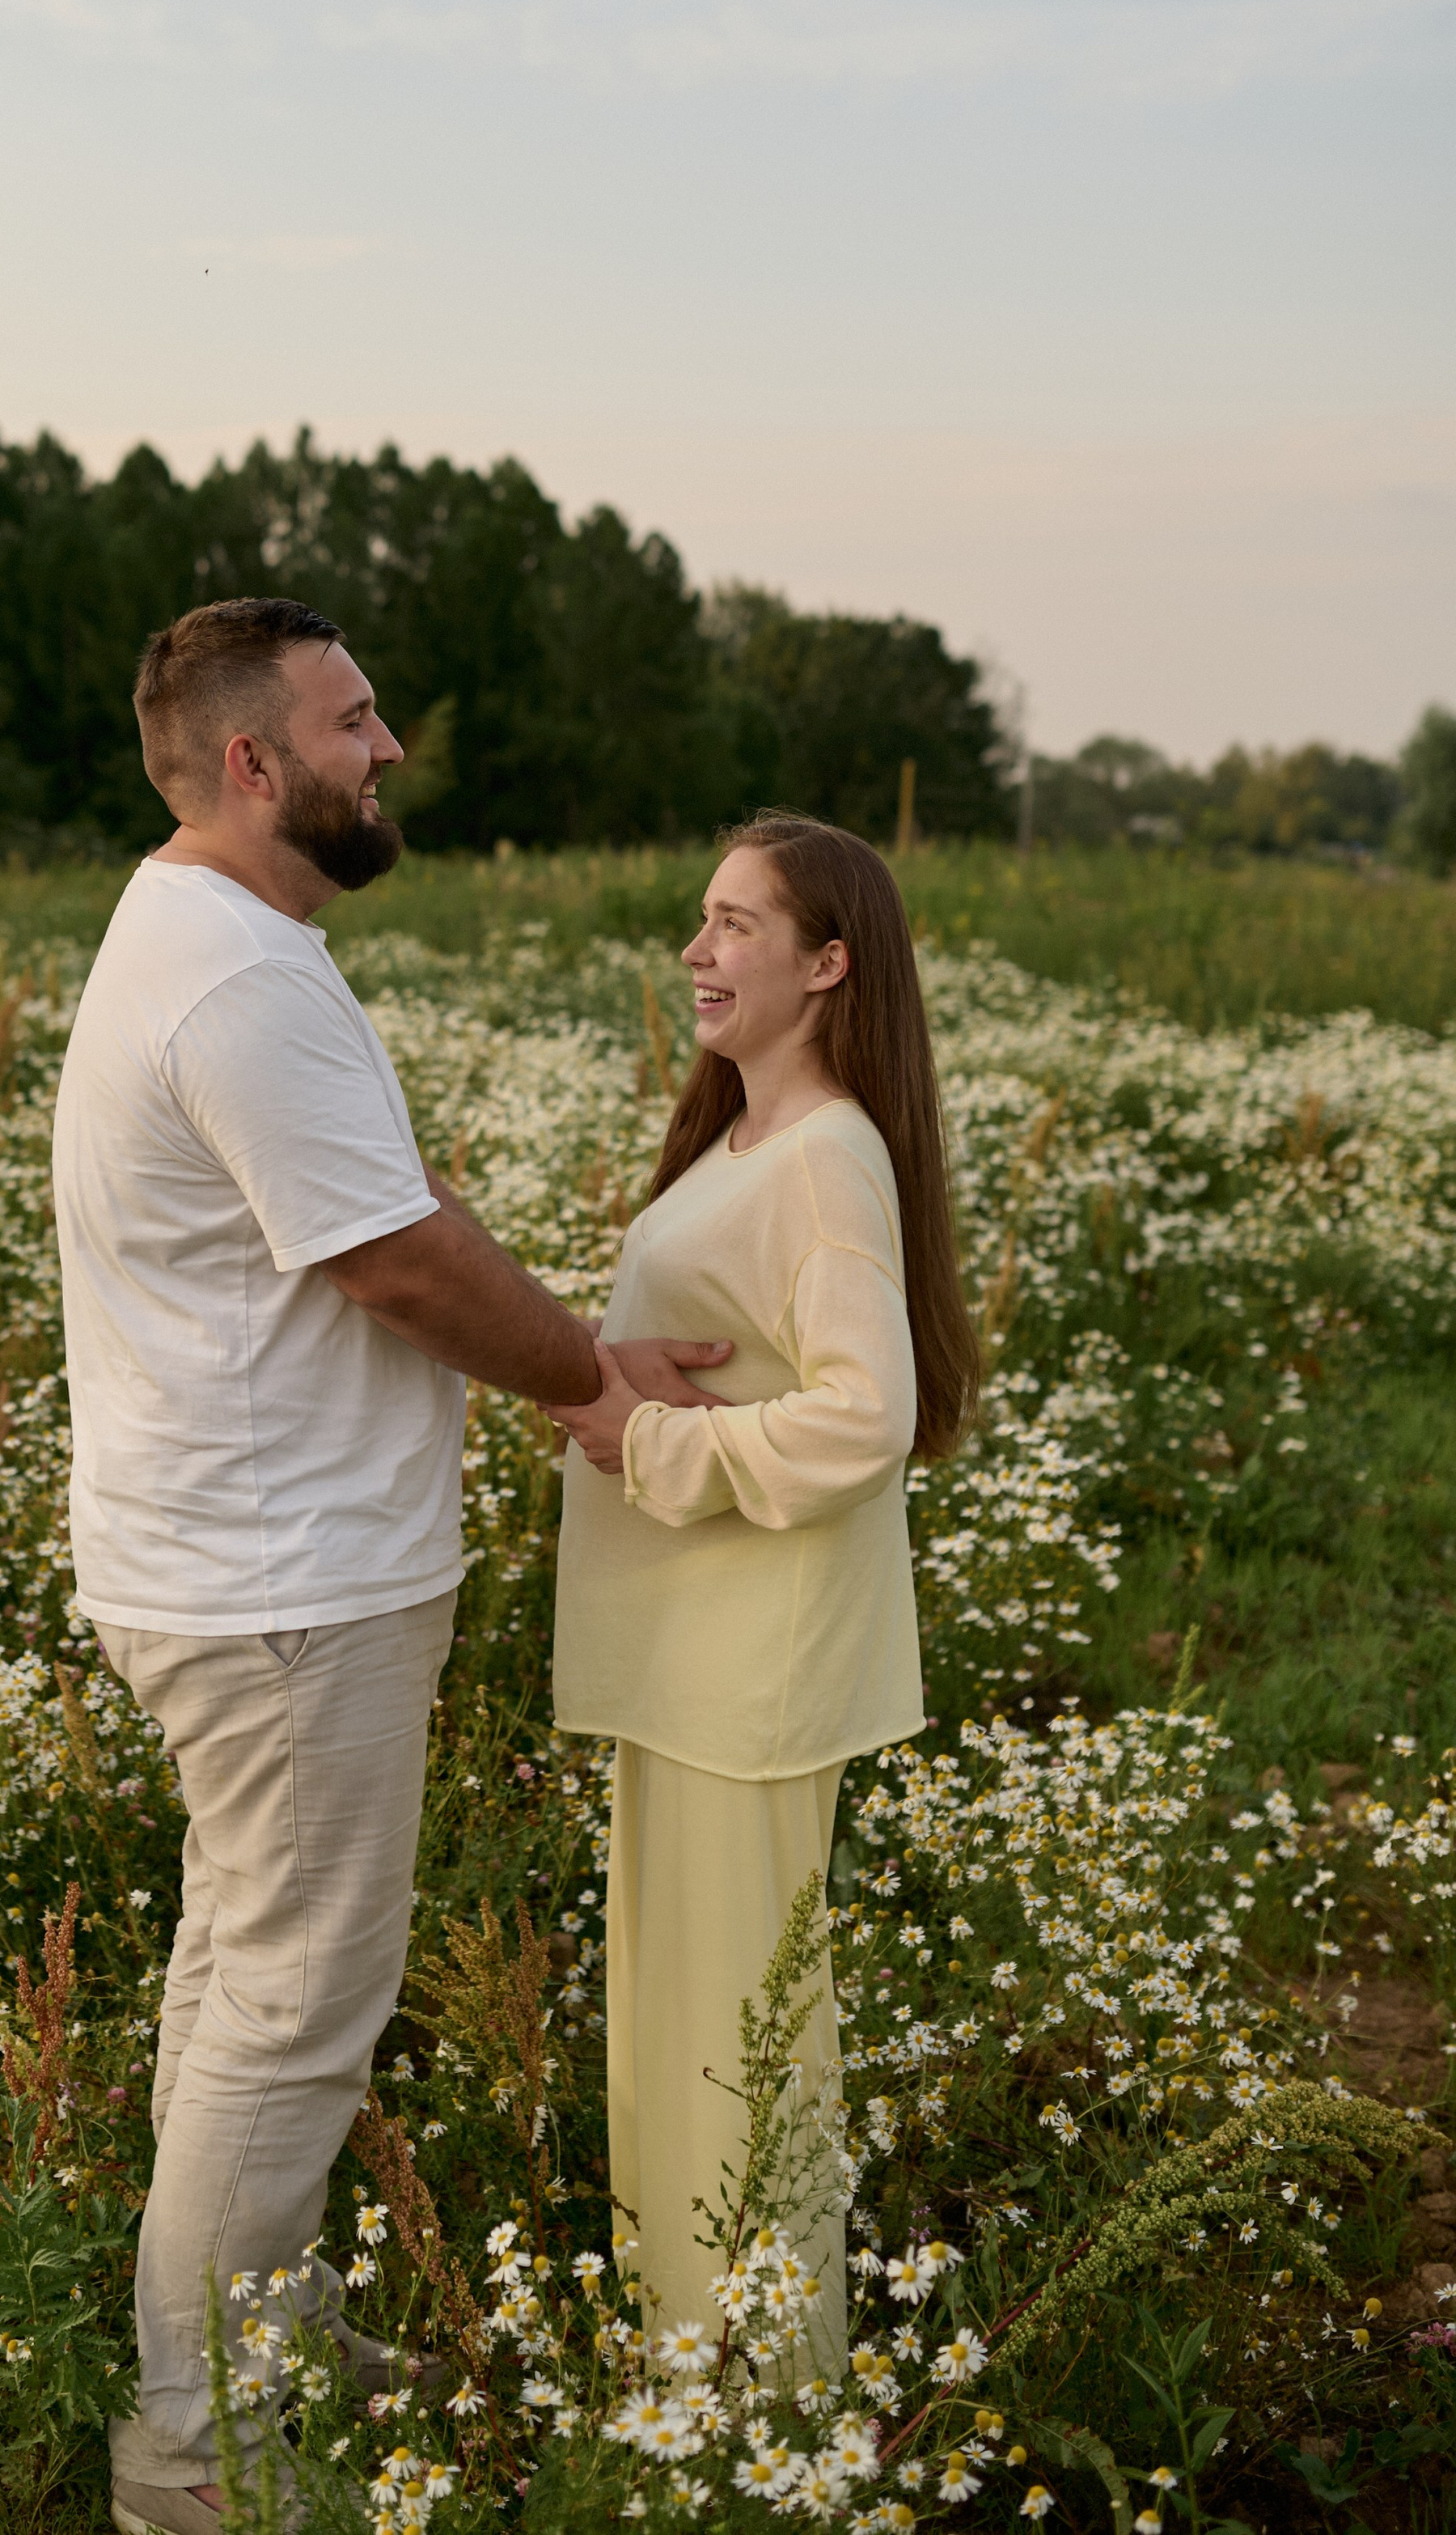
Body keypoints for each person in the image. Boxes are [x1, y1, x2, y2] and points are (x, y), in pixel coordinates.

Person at [54, 596, 732, 2535]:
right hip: (282, 1583)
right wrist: (589, 1387)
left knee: (234, 1977)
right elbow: (401, 1262)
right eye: (356, 720)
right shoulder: (239, 979)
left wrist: (573, 1353)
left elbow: (393, 1208)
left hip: (229, 1557)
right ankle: (194, 2455)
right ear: (254, 762)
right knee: (289, 2000)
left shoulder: (203, 933)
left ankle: (251, 2331)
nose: (392, 748)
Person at [547, 812, 979, 2380]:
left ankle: (758, 2397)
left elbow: (864, 1415)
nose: (698, 948)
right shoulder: (740, 1145)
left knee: (739, 2048)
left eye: (735, 924)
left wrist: (652, 1440)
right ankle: (686, 2363)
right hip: (684, 1659)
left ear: (825, 961)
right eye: (700, 918)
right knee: (678, 2031)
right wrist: (606, 1388)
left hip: (750, 1670)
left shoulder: (825, 1157)